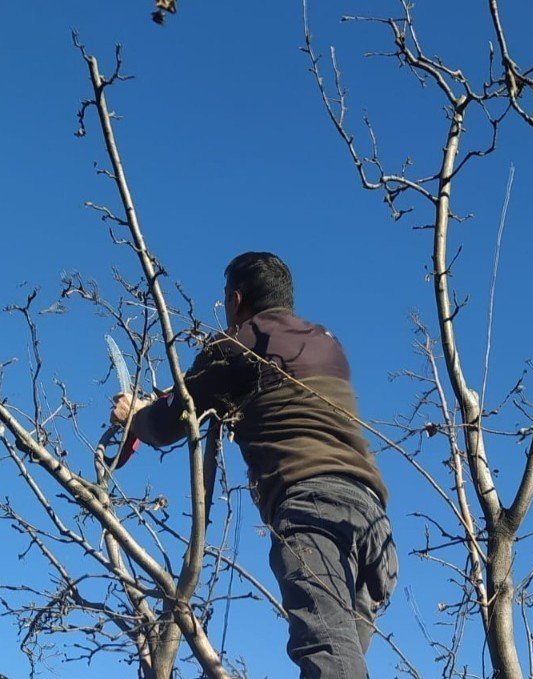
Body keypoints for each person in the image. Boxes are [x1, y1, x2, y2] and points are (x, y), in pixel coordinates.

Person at [111, 252, 397, 678]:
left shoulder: (238, 343)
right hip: (374, 526)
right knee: (341, 662)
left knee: (330, 660)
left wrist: (134, 415)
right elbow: (265, 388)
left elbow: (172, 421)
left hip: (314, 512)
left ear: (235, 300)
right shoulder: (326, 343)